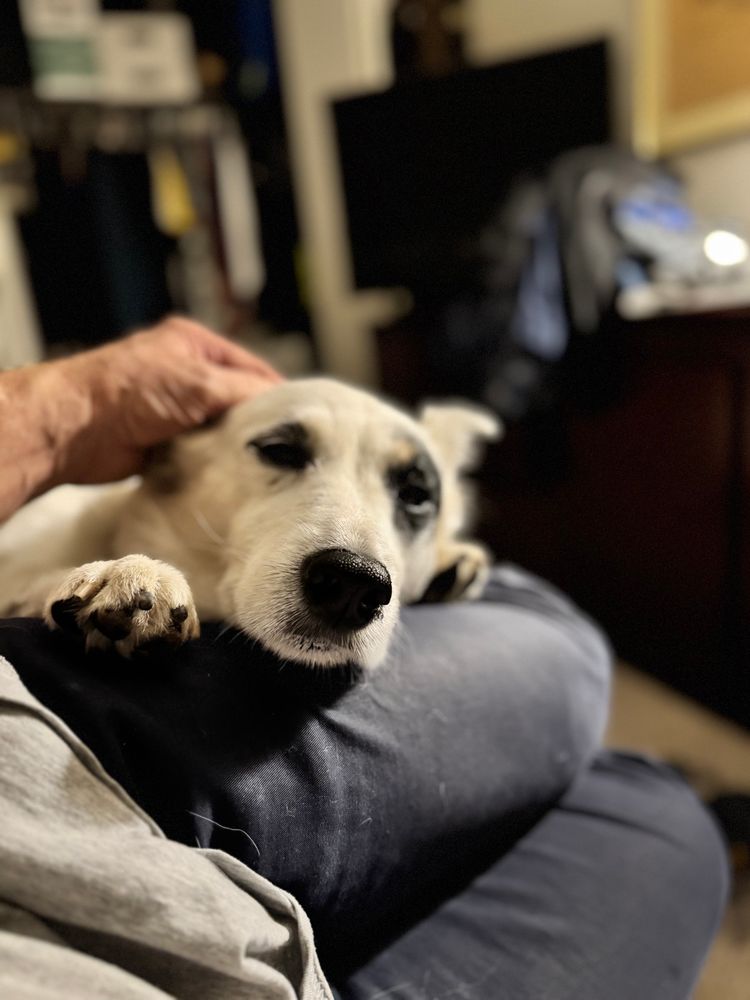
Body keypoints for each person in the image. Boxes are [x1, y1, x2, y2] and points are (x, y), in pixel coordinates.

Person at [0, 318, 729, 999]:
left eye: (409, 493)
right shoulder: (72, 526)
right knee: (608, 725)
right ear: (173, 461)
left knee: (661, 806)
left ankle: (437, 561)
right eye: (284, 453)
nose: (352, 544)